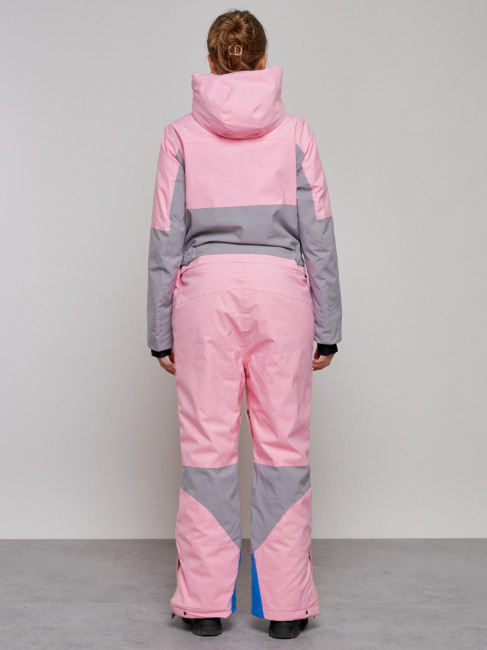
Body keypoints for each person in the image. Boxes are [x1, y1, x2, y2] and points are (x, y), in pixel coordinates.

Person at [146, 9, 342, 640]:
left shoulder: (179, 136)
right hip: (283, 298)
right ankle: (285, 609)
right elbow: (319, 236)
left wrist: (159, 332)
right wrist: (329, 325)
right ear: (262, 61)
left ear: (211, 64)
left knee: (207, 450)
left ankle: (204, 607)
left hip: (203, 300)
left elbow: (165, 238)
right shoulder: (297, 133)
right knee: (284, 450)